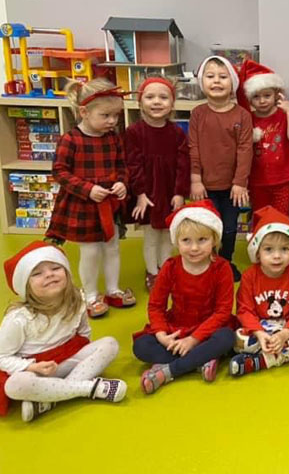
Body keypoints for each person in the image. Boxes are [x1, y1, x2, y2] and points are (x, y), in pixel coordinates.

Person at [0, 242, 126, 422]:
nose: (49, 274)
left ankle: (50, 398)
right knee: (15, 385)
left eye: (55, 268)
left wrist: (82, 358)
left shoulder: (77, 300)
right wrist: (32, 367)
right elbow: (0, 359)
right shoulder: (19, 319)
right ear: (26, 286)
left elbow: (84, 334)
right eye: (37, 273)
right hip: (36, 370)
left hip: (67, 360)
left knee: (110, 344)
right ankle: (88, 388)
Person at [46, 78, 134, 318]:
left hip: (108, 204)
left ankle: (113, 290)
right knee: (91, 251)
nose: (112, 121)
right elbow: (59, 171)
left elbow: (122, 166)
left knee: (112, 247)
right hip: (83, 205)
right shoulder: (70, 139)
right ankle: (91, 295)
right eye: (105, 115)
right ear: (84, 112)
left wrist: (121, 183)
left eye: (116, 116)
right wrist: (87, 189)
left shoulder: (113, 138)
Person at [132, 201, 235, 394]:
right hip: (176, 329)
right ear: (176, 241)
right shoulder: (170, 267)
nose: (194, 248)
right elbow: (155, 306)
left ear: (214, 240)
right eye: (186, 240)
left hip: (208, 330)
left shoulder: (222, 268)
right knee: (141, 346)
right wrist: (162, 335)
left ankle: (169, 370)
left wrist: (193, 340)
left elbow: (222, 312)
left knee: (227, 338)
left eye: (202, 240)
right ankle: (200, 361)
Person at [230, 206, 289, 375]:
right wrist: (259, 333)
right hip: (260, 327)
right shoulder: (250, 276)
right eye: (269, 249)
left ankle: (259, 362)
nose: (277, 256)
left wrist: (285, 334)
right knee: (236, 339)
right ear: (257, 253)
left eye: (284, 249)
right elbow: (244, 310)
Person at [189, 55, 253, 281]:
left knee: (229, 228)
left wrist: (240, 183)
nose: (216, 81)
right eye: (210, 76)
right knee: (208, 227)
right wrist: (195, 179)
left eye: (222, 77)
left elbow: (245, 150)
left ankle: (225, 262)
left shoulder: (242, 115)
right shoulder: (198, 114)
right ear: (202, 82)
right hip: (205, 186)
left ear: (232, 83)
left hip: (232, 188)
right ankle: (209, 262)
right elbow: (193, 147)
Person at [125, 77, 189, 291]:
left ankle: (165, 269)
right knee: (151, 235)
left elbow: (183, 165)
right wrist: (140, 194)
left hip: (169, 191)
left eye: (163, 97)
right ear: (140, 102)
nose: (156, 102)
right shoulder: (134, 132)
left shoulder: (177, 132)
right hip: (148, 193)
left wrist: (179, 193)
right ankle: (152, 272)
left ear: (172, 103)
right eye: (150, 97)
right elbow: (133, 165)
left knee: (168, 235)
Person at [242, 61, 289, 215]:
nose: (262, 101)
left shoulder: (283, 115)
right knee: (260, 216)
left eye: (267, 95)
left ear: (276, 95)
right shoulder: (248, 118)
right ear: (249, 99)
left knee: (280, 218)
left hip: (282, 179)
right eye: (256, 97)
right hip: (256, 179)